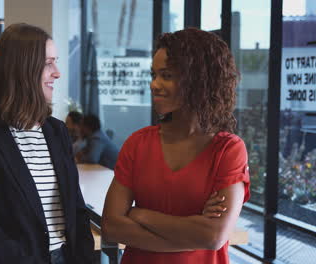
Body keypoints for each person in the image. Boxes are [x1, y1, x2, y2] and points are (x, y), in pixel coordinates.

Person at [101, 27, 250, 263]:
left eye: (166, 75)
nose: (154, 84)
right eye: (153, 75)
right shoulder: (138, 144)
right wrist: (191, 229)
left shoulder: (228, 151)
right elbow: (111, 227)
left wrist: (141, 214)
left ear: (198, 80)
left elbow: (213, 235)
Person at [0, 23, 94, 264]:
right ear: (22, 69)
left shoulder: (57, 131)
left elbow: (76, 210)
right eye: (48, 63)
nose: (57, 72)